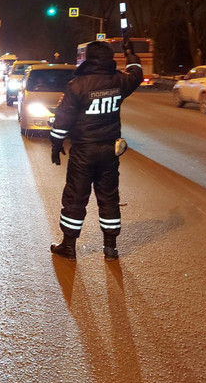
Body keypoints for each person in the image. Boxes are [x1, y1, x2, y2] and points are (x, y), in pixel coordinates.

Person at [49, 39, 143, 261]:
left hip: (83, 151)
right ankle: (110, 248)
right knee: (109, 197)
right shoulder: (119, 81)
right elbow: (136, 75)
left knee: (75, 196)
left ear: (88, 59)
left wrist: (56, 143)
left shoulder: (78, 85)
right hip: (110, 151)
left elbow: (63, 118)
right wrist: (130, 55)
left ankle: (68, 246)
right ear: (109, 59)